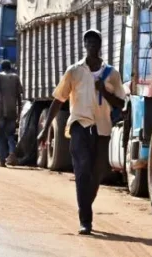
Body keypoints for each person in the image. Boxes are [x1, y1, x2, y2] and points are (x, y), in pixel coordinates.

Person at [38, 29, 125, 235]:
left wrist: (103, 91)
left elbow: (121, 103)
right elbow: (58, 100)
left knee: (97, 174)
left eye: (95, 42)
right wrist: (44, 129)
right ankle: (85, 220)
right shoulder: (74, 71)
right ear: (84, 45)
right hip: (79, 126)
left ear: (100, 45)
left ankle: (86, 204)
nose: (92, 45)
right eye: (88, 42)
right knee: (82, 170)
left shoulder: (111, 73)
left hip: (102, 129)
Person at [0, 59, 23, 168]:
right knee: (10, 135)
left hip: (1, 110)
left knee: (1, 136)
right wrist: (19, 111)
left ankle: (2, 161)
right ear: (10, 67)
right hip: (12, 110)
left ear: (2, 67)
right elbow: (19, 96)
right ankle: (12, 153)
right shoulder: (15, 77)